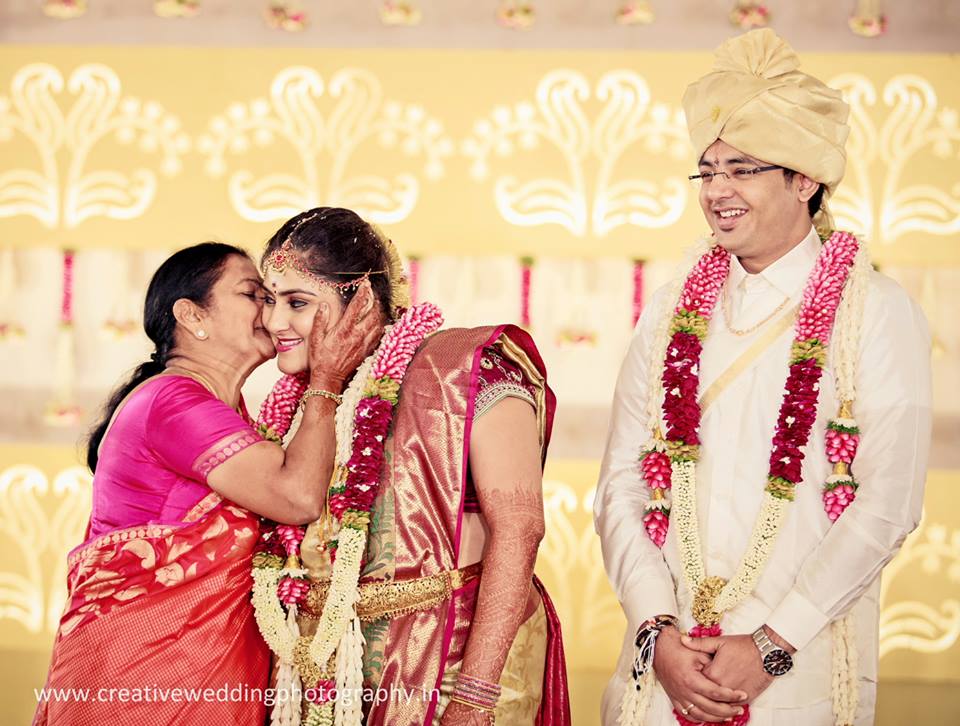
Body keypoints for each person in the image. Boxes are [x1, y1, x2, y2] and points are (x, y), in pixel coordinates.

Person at [595, 29, 931, 726]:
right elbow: (622, 480)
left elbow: (888, 505)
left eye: (741, 169)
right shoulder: (670, 309)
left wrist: (773, 645)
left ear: (803, 179)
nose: (716, 191)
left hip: (798, 668)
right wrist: (656, 630)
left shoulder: (874, 312)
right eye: (707, 170)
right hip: (667, 665)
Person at [34, 242, 382, 725]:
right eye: (253, 295)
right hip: (145, 673)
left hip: (202, 669)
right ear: (192, 315)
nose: (272, 312)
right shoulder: (172, 401)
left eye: (281, 300)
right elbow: (297, 496)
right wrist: (327, 378)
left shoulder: (224, 411)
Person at [250, 207, 571, 725]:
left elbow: (520, 528)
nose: (274, 322)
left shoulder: (464, 368)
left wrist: (474, 698)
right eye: (268, 301)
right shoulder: (298, 404)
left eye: (297, 302)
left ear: (361, 298)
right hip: (324, 674)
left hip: (449, 666)